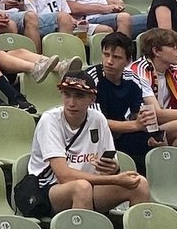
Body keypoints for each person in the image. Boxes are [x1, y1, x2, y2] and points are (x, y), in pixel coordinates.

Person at [13, 68, 151, 217]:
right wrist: (115, 179)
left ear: (92, 98)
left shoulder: (98, 119)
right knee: (81, 188)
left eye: (79, 96)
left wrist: (112, 169)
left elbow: (111, 166)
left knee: (139, 184)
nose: (71, 103)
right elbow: (63, 176)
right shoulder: (49, 120)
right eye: (67, 94)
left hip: (89, 185)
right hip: (48, 190)